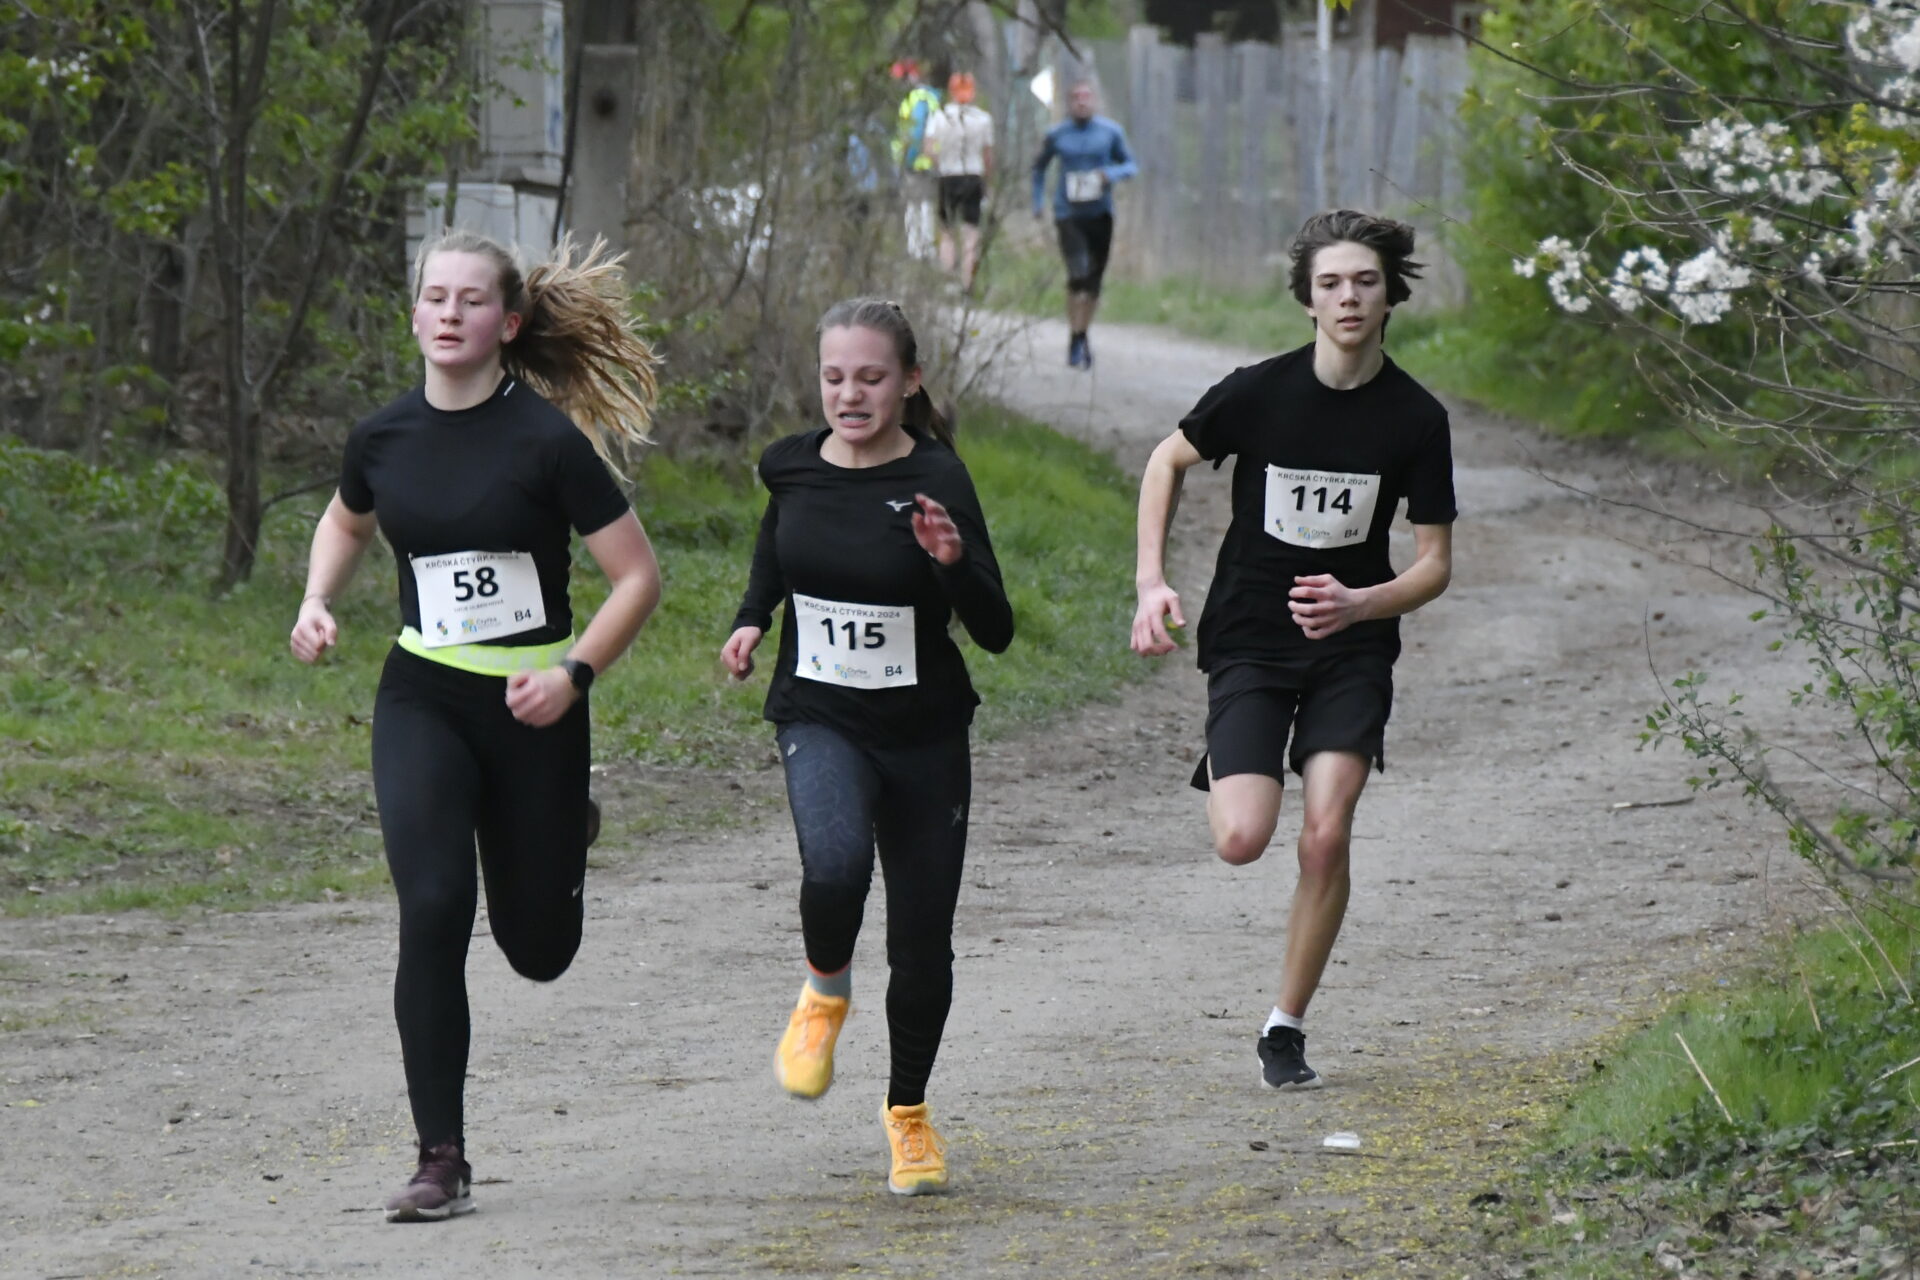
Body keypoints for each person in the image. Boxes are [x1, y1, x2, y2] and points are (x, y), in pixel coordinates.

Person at [288, 230, 663, 1221]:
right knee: (435, 901)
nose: (449, 313)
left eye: (471, 300)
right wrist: (317, 598)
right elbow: (347, 518)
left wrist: (573, 675)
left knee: (538, 947)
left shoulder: (546, 442)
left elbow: (638, 578)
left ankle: (560, 826)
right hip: (424, 696)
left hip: (536, 706)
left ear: (509, 322)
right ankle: (440, 1157)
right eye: (434, 297)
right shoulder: (382, 437)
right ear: (414, 313)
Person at [1130, 210, 1455, 1092]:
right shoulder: (1259, 393)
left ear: (1390, 296)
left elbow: (1434, 564)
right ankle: (1233, 749)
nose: (1349, 298)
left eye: (1365, 282)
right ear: (1307, 300)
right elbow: (1165, 461)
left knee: (1325, 833)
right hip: (1251, 636)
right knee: (1242, 839)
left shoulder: (1416, 418)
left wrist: (1361, 604)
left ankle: (1286, 1025)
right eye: (1330, 284)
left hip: (1353, 646)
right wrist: (1151, 583)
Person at [720, 298, 1014, 1195]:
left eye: (872, 378)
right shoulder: (790, 465)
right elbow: (778, 543)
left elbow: (995, 631)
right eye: (835, 377)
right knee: (836, 865)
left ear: (909, 382)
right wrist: (752, 616)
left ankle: (908, 1115)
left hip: (924, 734)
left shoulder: (938, 477)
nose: (850, 395)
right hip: (820, 715)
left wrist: (951, 561)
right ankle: (824, 992)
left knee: (922, 946)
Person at [1030, 80, 1137, 370]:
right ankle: (1076, 335)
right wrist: (1038, 203)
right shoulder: (1057, 134)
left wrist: (1109, 174)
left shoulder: (1110, 132)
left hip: (1100, 214)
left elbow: (1131, 165)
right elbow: (1038, 169)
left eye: (1086, 97)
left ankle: (1079, 334)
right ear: (1069, 103)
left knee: (1093, 282)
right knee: (1078, 273)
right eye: (1076, 97)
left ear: (1094, 101)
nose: (1082, 102)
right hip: (1068, 214)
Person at [924, 71, 994, 294]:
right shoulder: (983, 119)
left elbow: (928, 148)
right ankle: (967, 283)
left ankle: (948, 279)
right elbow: (987, 156)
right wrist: (987, 181)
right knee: (971, 233)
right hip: (973, 176)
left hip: (948, 176)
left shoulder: (939, 117)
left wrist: (940, 162)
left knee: (946, 230)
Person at [891, 60, 941, 261]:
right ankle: (926, 247)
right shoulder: (931, 97)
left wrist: (908, 158)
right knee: (925, 204)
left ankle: (917, 249)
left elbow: (915, 132)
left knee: (915, 204)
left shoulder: (916, 99)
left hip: (916, 161)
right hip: (928, 161)